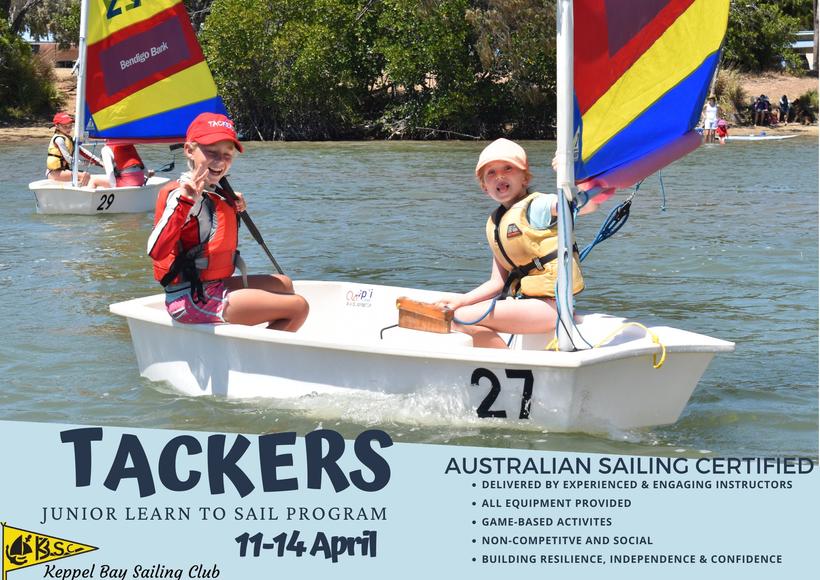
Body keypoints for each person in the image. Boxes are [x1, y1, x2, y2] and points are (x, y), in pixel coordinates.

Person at [147, 112, 309, 330]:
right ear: (189, 150)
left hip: (211, 285)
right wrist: (185, 202)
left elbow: (212, 221)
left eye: (227, 155)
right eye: (211, 152)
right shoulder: (182, 195)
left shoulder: (215, 191)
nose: (220, 161)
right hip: (191, 298)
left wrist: (231, 203)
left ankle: (258, 344)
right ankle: (255, 353)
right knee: (298, 307)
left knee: (284, 284)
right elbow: (156, 250)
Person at [434, 138, 601, 349]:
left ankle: (505, 363)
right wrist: (461, 300)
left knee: (461, 318)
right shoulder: (497, 223)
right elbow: (496, 283)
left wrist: (572, 178)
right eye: (491, 173)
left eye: (508, 168)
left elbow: (585, 206)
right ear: (485, 187)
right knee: (458, 314)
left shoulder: (538, 206)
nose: (500, 176)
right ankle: (503, 361)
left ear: (525, 178)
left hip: (552, 307)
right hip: (527, 303)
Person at [46, 112, 108, 186]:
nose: (68, 129)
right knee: (85, 176)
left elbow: (82, 151)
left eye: (70, 126)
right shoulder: (59, 139)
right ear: (57, 126)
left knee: (88, 176)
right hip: (54, 173)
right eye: (65, 127)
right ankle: (81, 192)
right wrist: (85, 163)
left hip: (63, 171)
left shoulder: (69, 139)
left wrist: (99, 162)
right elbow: (69, 160)